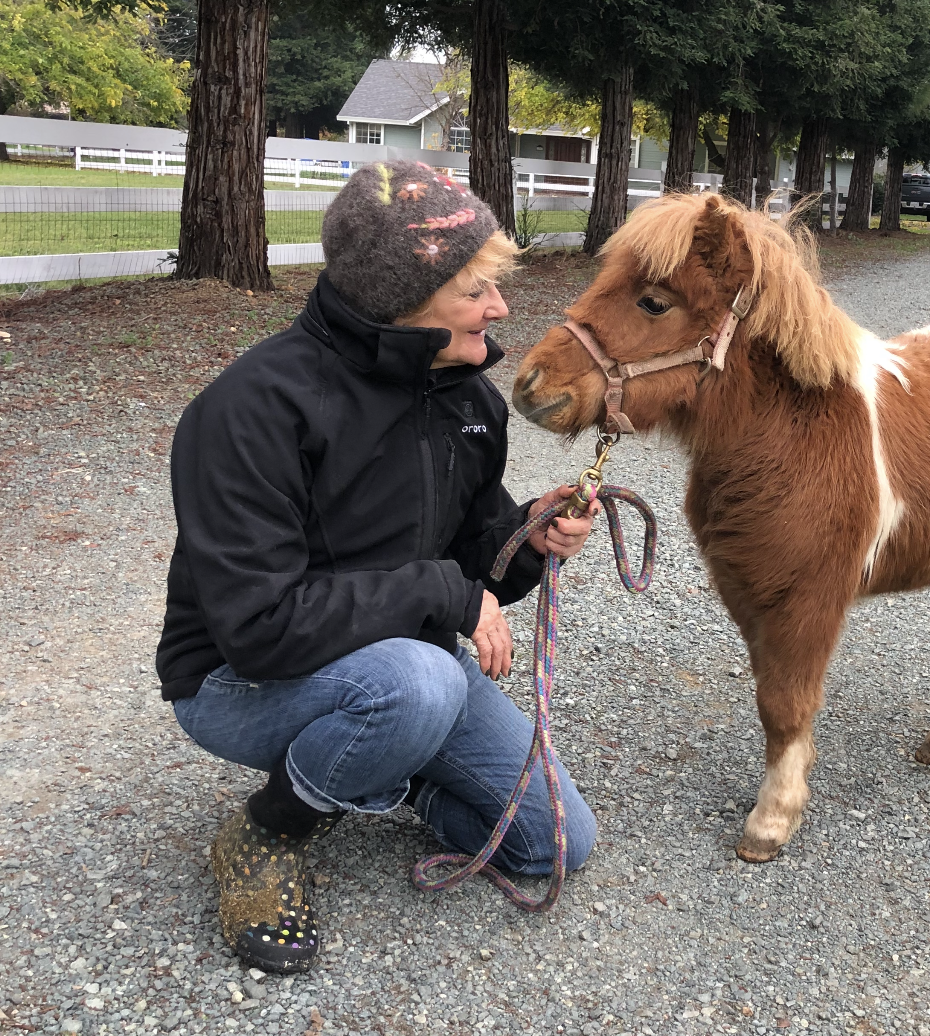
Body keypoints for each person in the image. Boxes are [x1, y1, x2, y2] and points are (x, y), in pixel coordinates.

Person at [155, 160, 600, 973]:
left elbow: (472, 567)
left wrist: (526, 538)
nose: (499, 307)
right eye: (475, 289)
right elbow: (258, 629)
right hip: (234, 679)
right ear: (400, 294)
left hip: (395, 661)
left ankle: (389, 771)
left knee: (555, 842)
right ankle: (267, 828)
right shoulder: (253, 406)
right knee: (421, 682)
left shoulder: (467, 399)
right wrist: (445, 593)